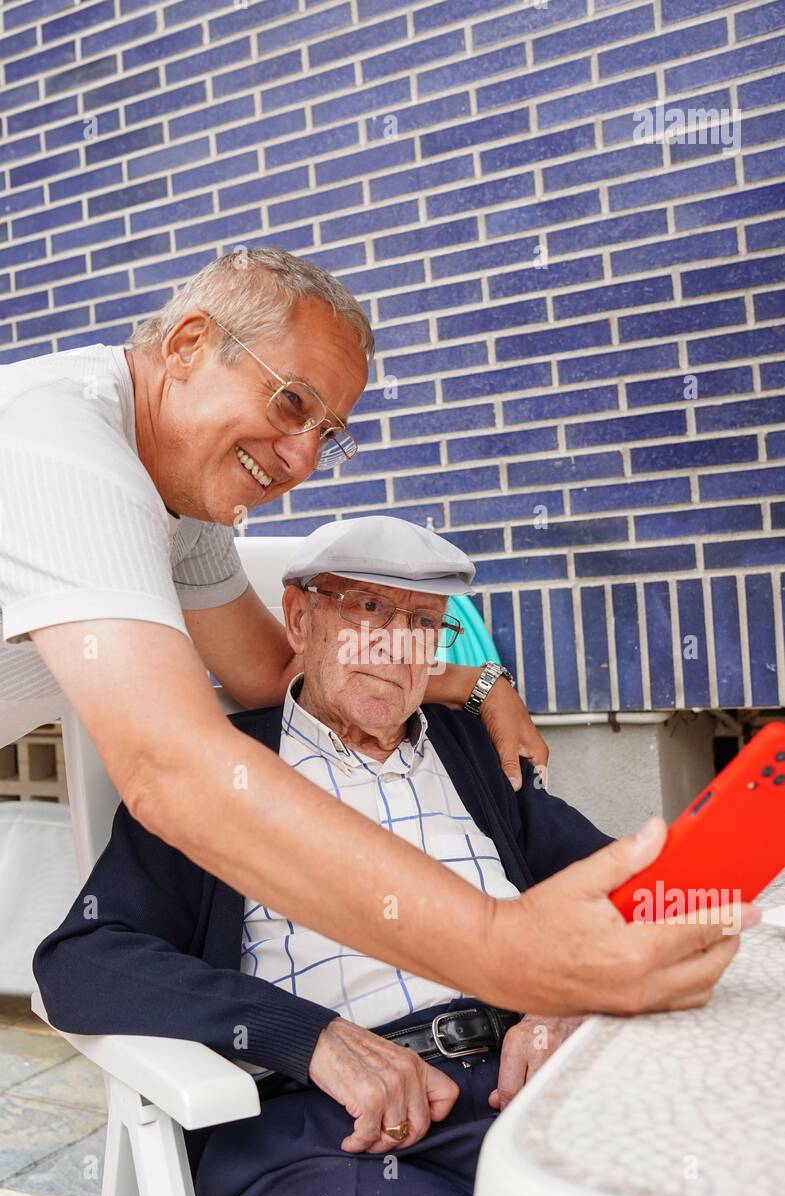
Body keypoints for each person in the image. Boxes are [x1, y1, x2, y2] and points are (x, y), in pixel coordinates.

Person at [2, 249, 748, 1013]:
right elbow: (174, 773)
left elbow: (266, 672)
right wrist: (500, 949)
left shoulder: (184, 507)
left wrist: (471, 682)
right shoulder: (62, 447)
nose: (301, 460)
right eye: (292, 403)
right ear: (190, 343)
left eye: (327, 434)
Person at [34, 518, 758, 1196]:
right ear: (300, 619)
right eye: (368, 611)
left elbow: (621, 894)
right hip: (338, 1135)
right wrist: (306, 1037)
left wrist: (564, 1011)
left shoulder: (474, 757)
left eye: (419, 623)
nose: (396, 645)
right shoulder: (217, 770)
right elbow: (83, 959)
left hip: (531, 1099)